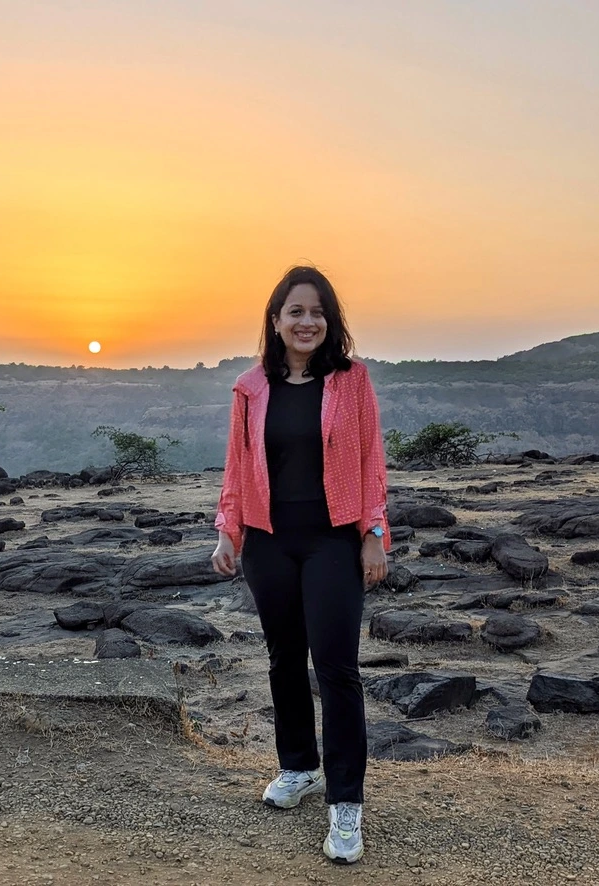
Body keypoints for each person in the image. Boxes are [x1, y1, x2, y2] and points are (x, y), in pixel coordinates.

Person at [211, 265, 390, 865]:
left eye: (317, 311)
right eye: (295, 311)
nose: (307, 321)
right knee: (284, 659)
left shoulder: (352, 382)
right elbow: (237, 470)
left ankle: (346, 802)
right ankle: (298, 767)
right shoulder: (249, 388)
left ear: (329, 320)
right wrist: (227, 534)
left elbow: (371, 463)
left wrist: (373, 533)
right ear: (276, 319)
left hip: (333, 541)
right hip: (268, 541)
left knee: (336, 667)